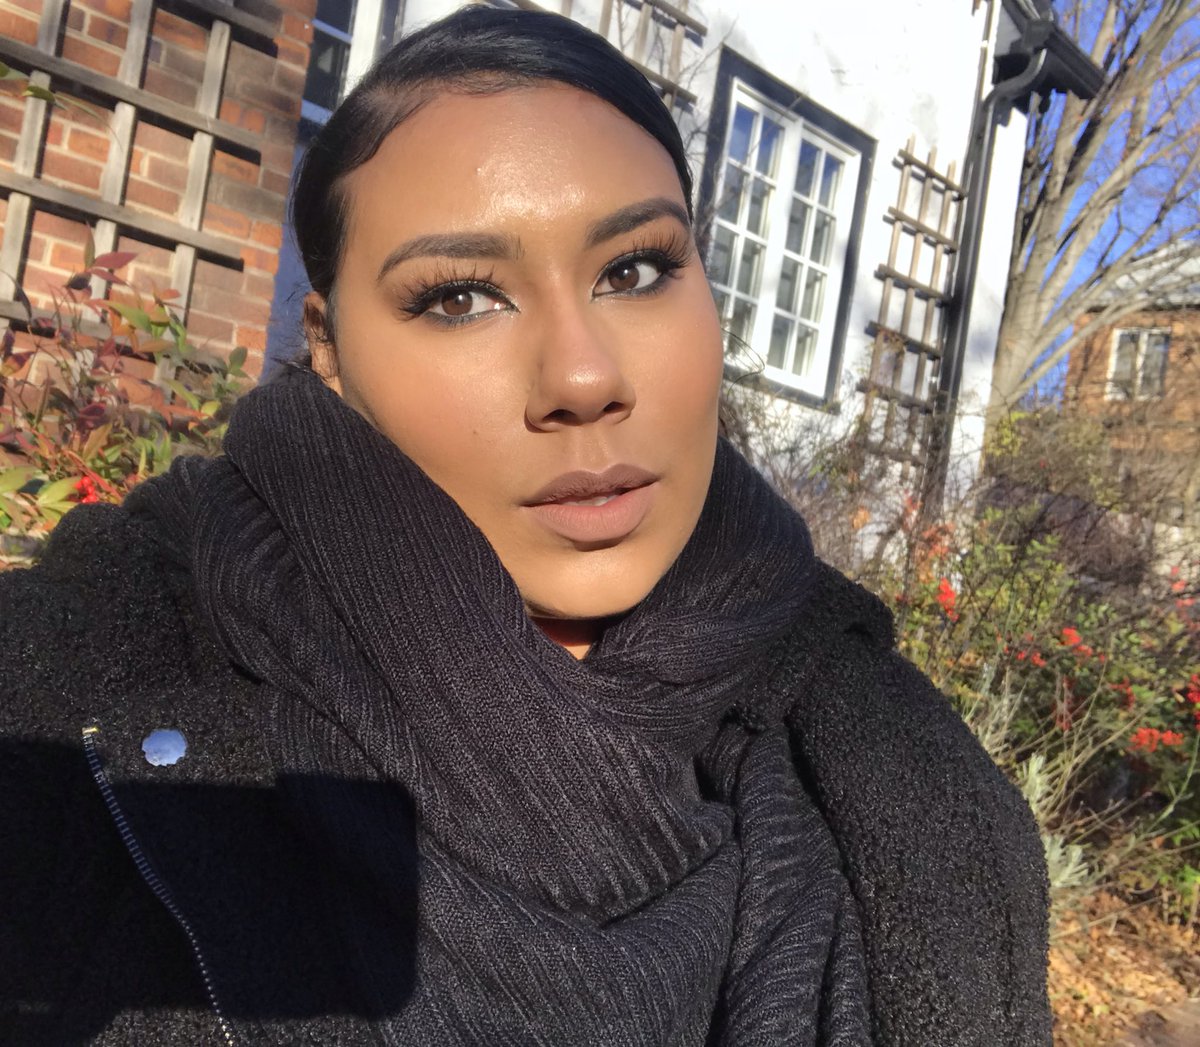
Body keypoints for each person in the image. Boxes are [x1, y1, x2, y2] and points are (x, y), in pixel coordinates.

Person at [0, 6, 1050, 1045]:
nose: (583, 378)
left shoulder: (904, 768)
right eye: (460, 297)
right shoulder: (82, 686)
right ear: (328, 346)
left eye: (634, 270)